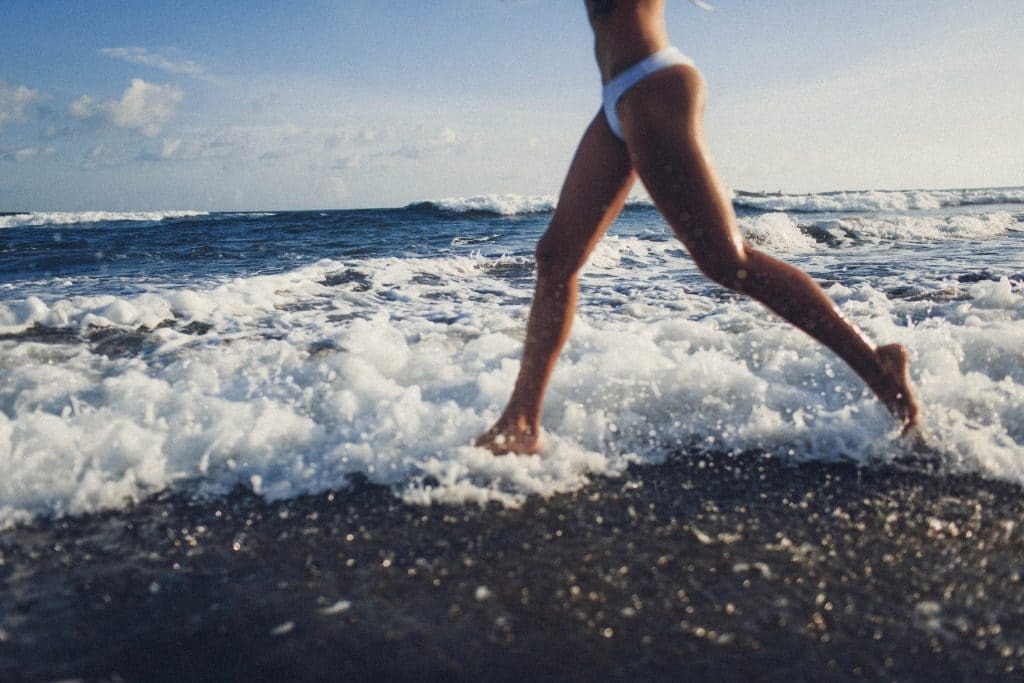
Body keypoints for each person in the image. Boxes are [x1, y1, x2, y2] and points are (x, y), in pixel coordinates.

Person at [476, 0, 919, 455]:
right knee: (555, 258)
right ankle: (522, 420)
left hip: (652, 83)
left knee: (727, 260)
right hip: (617, 98)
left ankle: (876, 365)